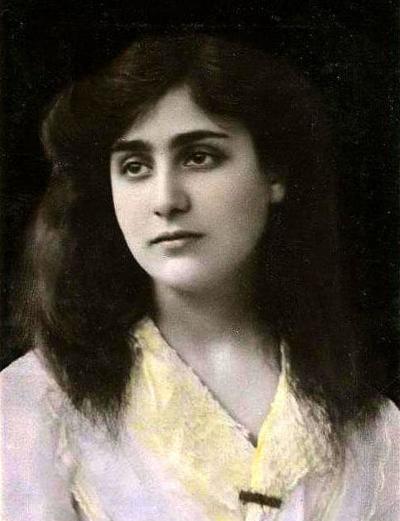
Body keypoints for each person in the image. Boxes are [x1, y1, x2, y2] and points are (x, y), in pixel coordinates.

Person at [1, 34, 399, 521]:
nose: (166, 200)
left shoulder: (372, 429)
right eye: (134, 166)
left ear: (273, 174)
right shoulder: (36, 406)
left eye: (199, 157)